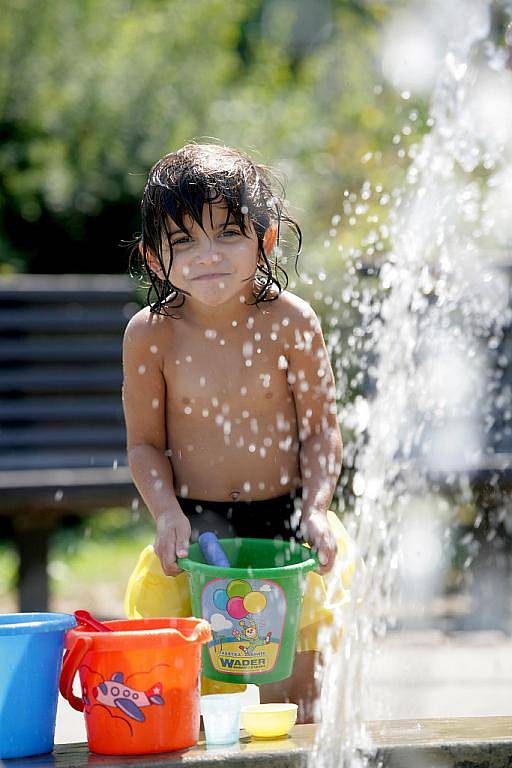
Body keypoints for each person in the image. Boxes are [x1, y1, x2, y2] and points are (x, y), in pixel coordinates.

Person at [123, 142, 357, 722]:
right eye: (184, 241)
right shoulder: (151, 335)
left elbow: (321, 433)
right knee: (197, 706)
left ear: (266, 239)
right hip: (196, 531)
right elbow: (146, 444)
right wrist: (166, 514)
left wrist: (317, 508)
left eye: (227, 234)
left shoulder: (292, 322)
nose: (208, 256)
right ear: (156, 259)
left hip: (286, 522)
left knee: (299, 703)